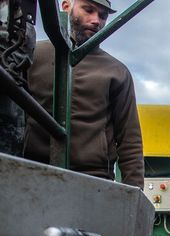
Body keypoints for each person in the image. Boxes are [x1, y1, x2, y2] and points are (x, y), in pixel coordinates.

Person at [22, 0, 144, 188]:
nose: (96, 20)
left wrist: (135, 197)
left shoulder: (116, 72)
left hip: (93, 180)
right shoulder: (32, 55)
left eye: (102, 16)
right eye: (88, 10)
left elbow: (130, 140)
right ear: (65, 6)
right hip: (30, 172)